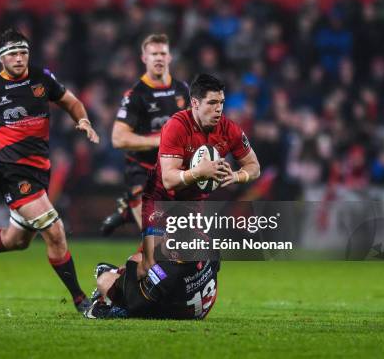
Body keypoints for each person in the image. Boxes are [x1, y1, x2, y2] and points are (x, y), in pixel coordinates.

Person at [0, 28, 100, 312]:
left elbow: (72, 102)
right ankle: (81, 301)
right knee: (54, 230)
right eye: (13, 54)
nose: (19, 58)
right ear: (1, 59)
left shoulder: (42, 78)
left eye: (23, 52)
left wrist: (84, 121)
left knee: (16, 241)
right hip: (13, 173)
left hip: (41, 171)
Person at [85, 73, 261, 319]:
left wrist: (237, 176)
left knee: (182, 262)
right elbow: (168, 179)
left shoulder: (229, 129)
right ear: (195, 103)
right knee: (150, 266)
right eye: (212, 103)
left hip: (191, 206)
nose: (218, 109)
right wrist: (199, 171)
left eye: (221, 102)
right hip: (160, 201)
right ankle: (114, 295)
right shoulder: (176, 126)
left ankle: (114, 276)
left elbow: (254, 166)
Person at [101, 33, 189, 236]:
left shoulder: (182, 89)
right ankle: (131, 208)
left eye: (162, 53)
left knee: (173, 245)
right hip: (142, 173)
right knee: (156, 241)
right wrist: (160, 140)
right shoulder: (136, 95)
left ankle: (127, 215)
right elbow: (118, 138)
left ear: (169, 57)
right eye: (153, 54)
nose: (158, 58)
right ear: (144, 58)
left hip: (172, 172)